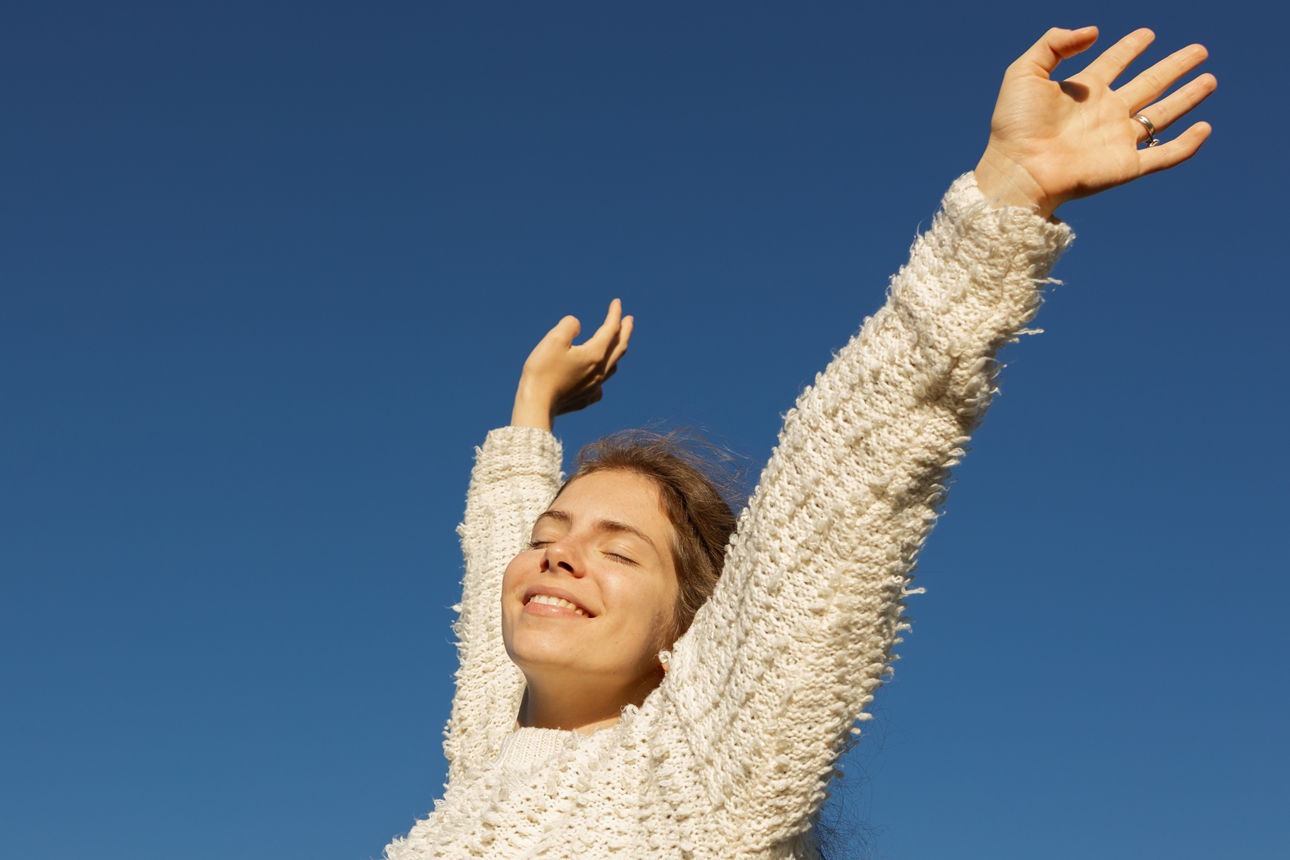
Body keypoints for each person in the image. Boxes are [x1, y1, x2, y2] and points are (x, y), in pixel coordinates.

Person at [383, 26, 1215, 859]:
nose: (557, 559)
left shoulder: (696, 774)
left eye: (622, 552)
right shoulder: (491, 753)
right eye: (547, 540)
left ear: (695, 636)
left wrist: (1009, 195)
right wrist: (533, 407)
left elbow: (835, 497)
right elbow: (496, 565)